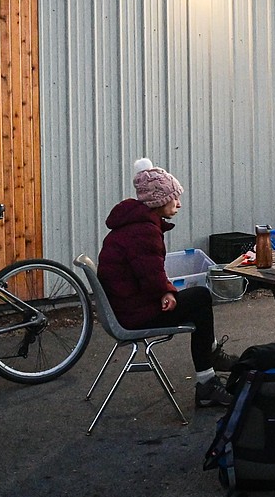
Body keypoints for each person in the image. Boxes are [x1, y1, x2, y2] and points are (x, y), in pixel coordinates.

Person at [97, 158, 238, 407]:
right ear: (160, 200)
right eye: (175, 198)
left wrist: (166, 290)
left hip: (125, 306)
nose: (179, 203)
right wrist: (167, 291)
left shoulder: (132, 224)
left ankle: (211, 359)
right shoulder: (143, 230)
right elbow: (151, 276)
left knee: (196, 302)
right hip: (133, 314)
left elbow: (147, 273)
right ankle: (208, 376)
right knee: (201, 298)